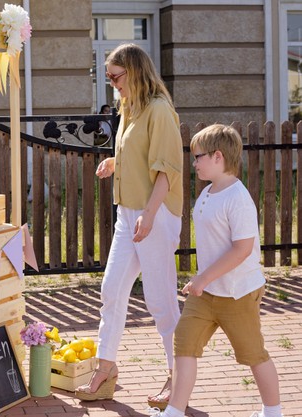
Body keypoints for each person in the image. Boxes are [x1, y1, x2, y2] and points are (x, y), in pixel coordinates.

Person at [75, 43, 183, 408]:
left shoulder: (159, 110)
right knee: (111, 289)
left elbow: (167, 169)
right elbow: (136, 156)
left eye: (116, 76)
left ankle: (177, 376)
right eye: (108, 78)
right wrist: (114, 164)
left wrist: (150, 215)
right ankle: (106, 367)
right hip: (129, 214)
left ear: (135, 71)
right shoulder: (129, 109)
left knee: (160, 298)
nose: (112, 84)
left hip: (156, 214)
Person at [151, 124, 283, 417]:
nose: (194, 162)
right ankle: (174, 411)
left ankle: (273, 412)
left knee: (253, 355)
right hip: (205, 293)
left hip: (238, 293)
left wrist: (202, 278)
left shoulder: (238, 199)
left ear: (218, 156)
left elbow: (242, 249)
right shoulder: (209, 193)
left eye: (198, 156)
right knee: (184, 344)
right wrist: (203, 282)